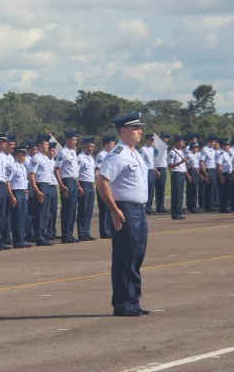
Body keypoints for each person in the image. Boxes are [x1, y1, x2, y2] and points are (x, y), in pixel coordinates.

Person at [95, 112, 149, 317]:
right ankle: (122, 303)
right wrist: (114, 210)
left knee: (136, 257)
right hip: (125, 210)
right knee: (124, 258)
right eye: (136, 128)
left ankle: (133, 301)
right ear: (124, 130)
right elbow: (101, 182)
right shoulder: (118, 154)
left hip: (139, 210)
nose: (140, 131)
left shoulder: (134, 153)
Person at [28, 132, 54, 247]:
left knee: (46, 213)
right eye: (45, 144)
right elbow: (31, 176)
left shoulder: (47, 159)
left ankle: (44, 235)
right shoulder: (36, 158)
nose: (47, 146)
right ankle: (39, 238)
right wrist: (37, 191)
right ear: (39, 145)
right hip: (40, 186)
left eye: (48, 144)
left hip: (47, 186)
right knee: (40, 214)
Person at [54, 130, 81, 243]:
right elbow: (56, 170)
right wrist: (62, 185)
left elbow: (75, 172)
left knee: (73, 209)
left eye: (76, 140)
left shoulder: (73, 152)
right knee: (67, 209)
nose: (75, 142)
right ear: (67, 140)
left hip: (74, 181)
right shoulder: (63, 153)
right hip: (67, 181)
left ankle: (69, 233)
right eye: (73, 140)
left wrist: (78, 185)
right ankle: (65, 235)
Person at [7, 145, 31, 248]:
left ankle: (22, 238)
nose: (24, 156)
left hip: (23, 192)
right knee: (17, 217)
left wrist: (25, 189)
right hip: (16, 192)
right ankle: (17, 241)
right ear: (17, 155)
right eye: (22, 154)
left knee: (24, 216)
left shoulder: (22, 166)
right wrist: (11, 196)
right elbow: (7, 182)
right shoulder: (12, 166)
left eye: (25, 154)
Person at [95, 135, 117, 238]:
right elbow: (97, 170)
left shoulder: (111, 155)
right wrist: (98, 184)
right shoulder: (101, 155)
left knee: (109, 208)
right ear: (106, 145)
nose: (113, 147)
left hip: (109, 185)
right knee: (104, 209)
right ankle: (104, 231)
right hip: (102, 185)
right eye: (112, 145)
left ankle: (108, 229)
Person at [77, 137, 96, 239]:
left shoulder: (91, 158)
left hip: (90, 185)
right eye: (91, 146)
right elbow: (76, 174)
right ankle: (81, 232)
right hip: (83, 184)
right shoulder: (80, 158)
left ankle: (87, 231)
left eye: (93, 146)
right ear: (85, 146)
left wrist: (94, 184)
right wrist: (78, 186)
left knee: (89, 209)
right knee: (83, 209)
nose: (93, 148)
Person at [168, 135, 189, 220]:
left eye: (183, 142)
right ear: (176, 142)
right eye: (181, 142)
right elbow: (170, 165)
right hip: (176, 173)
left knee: (180, 194)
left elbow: (184, 167)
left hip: (181, 174)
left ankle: (179, 211)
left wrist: (187, 174)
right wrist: (180, 162)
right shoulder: (173, 152)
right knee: (176, 194)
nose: (182, 143)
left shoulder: (180, 151)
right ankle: (175, 213)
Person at [139, 134, 157, 215]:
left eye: (152, 140)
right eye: (150, 139)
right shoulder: (143, 149)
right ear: (146, 140)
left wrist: (156, 170)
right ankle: (145, 207)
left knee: (151, 190)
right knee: (147, 189)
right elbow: (141, 161)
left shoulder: (153, 150)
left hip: (152, 171)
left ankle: (149, 206)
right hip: (146, 171)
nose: (151, 141)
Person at [200, 134, 218, 211]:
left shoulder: (212, 150)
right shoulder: (205, 150)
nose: (214, 144)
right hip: (208, 170)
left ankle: (211, 204)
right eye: (213, 142)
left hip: (213, 169)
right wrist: (204, 172)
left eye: (214, 143)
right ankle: (208, 206)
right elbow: (201, 162)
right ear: (209, 142)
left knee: (212, 188)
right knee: (208, 189)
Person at [216, 138, 233, 213]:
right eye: (227, 145)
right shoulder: (221, 154)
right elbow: (218, 165)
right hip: (223, 174)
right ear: (223, 146)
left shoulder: (227, 154)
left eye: (229, 145)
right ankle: (223, 208)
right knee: (223, 192)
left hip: (227, 174)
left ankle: (225, 207)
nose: (228, 147)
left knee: (227, 192)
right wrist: (220, 176)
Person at [47, 141, 59, 241]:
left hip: (54, 187)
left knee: (53, 211)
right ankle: (47, 231)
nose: (54, 152)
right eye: (52, 150)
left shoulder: (54, 162)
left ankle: (52, 231)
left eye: (55, 151)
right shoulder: (45, 160)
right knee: (48, 211)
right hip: (48, 187)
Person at [184, 142, 201, 213]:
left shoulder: (197, 155)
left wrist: (199, 174)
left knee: (195, 190)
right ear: (191, 148)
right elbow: (184, 165)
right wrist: (187, 174)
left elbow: (197, 166)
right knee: (191, 189)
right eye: (194, 148)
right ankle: (190, 206)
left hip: (195, 171)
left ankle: (194, 206)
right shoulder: (189, 155)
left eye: (196, 147)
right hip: (190, 171)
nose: (195, 149)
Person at [155, 132, 169, 213]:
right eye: (165, 138)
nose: (166, 140)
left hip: (163, 168)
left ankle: (161, 206)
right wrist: (156, 170)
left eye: (167, 139)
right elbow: (156, 160)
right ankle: (159, 207)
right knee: (159, 188)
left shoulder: (165, 148)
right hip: (159, 168)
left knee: (162, 188)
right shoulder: (158, 148)